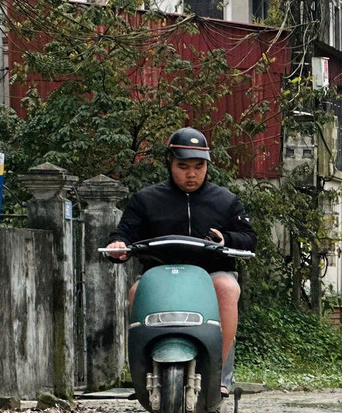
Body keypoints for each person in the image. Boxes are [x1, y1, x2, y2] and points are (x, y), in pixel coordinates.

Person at [106, 127, 256, 397]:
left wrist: (226, 238)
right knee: (136, 291)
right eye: (183, 166)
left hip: (210, 273)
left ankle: (217, 370)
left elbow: (249, 238)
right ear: (169, 164)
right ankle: (143, 371)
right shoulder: (145, 200)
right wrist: (117, 245)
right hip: (159, 274)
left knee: (228, 288)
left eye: (199, 166)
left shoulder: (226, 200)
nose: (191, 174)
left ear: (207, 165)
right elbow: (124, 233)